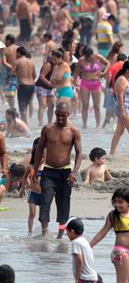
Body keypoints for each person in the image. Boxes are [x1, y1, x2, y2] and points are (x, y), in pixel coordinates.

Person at [32, 101, 82, 238]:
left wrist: (74, 172)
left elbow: (79, 154)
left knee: (63, 205)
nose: (60, 118)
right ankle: (44, 233)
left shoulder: (73, 131)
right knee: (45, 201)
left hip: (65, 172)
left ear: (68, 114)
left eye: (63, 115)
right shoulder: (47, 129)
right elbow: (39, 149)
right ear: (55, 114)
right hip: (48, 171)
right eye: (58, 115)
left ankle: (60, 235)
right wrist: (36, 170)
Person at [66, 218, 98, 283]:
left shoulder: (76, 242)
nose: (66, 234)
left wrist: (77, 278)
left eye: (67, 231)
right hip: (92, 277)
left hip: (84, 277)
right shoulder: (84, 241)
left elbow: (79, 261)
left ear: (72, 231)